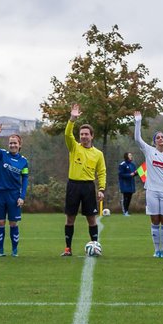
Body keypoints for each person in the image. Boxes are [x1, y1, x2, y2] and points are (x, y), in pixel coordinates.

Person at [133, 111, 163, 258]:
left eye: (162, 137)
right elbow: (137, 139)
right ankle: (156, 250)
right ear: (154, 142)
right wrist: (138, 122)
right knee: (155, 220)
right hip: (152, 191)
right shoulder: (149, 151)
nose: (160, 139)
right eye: (157, 137)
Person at [63, 104, 106, 256]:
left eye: (86, 134)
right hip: (73, 185)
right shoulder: (74, 147)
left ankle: (95, 247)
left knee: (91, 219)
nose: (83, 136)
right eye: (81, 134)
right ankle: (68, 249)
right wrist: (72, 120)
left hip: (88, 187)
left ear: (92, 136)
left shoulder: (98, 154)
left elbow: (101, 172)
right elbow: (68, 135)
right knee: (70, 218)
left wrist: (101, 189)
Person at [0, 124, 30, 256]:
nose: (12, 145)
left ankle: (14, 250)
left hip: (13, 195)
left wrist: (22, 196)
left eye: (15, 143)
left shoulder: (24, 161)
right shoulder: (2, 155)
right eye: (10, 143)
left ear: (19, 145)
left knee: (13, 223)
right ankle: (1, 251)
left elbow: (25, 180)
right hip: (0, 194)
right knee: (0, 222)